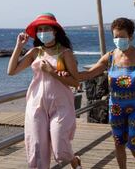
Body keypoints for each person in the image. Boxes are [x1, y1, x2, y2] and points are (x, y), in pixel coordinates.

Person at [7, 13, 82, 169]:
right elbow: (11, 71)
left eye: (46, 28)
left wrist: (51, 71)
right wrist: (19, 46)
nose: (42, 32)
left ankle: (74, 160)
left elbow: (76, 82)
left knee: (60, 149)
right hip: (36, 104)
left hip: (61, 104)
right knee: (36, 148)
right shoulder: (36, 52)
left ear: (54, 31)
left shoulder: (65, 53)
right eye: (40, 29)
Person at [77, 18, 135, 169]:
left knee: (134, 143)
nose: (118, 40)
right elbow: (88, 74)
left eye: (122, 37)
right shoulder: (110, 57)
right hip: (116, 107)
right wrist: (67, 74)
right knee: (118, 142)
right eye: (115, 36)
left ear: (131, 37)